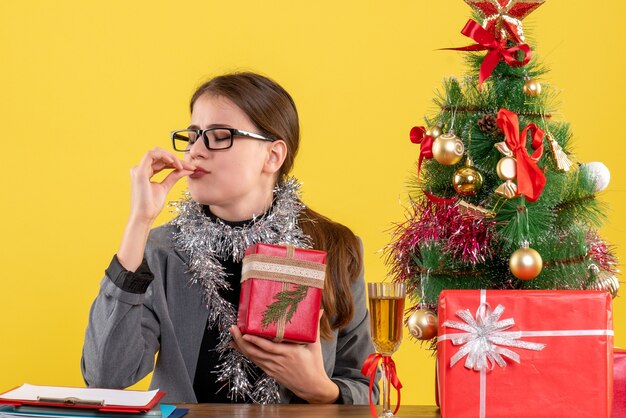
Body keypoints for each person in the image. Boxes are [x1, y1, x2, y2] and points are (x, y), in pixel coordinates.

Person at [81, 72, 378, 405]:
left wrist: (319, 389)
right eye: (193, 136)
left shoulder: (334, 248)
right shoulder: (162, 251)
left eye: (219, 135)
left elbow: (369, 390)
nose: (196, 151)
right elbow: (105, 376)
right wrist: (139, 221)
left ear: (273, 156)